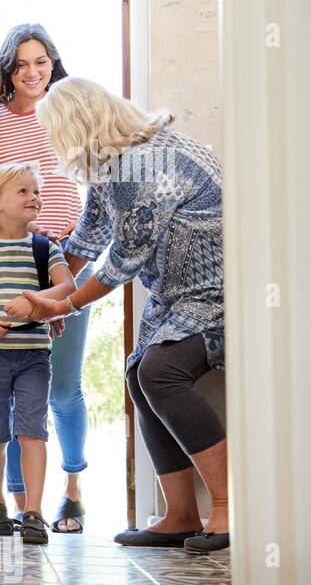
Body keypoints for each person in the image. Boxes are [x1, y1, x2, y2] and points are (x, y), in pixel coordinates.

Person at [17, 77, 229, 552]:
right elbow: (86, 242)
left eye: (56, 133)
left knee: (159, 372)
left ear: (78, 128)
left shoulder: (144, 163)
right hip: (179, 297)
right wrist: (40, 293)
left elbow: (120, 261)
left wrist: (62, 305)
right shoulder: (112, 164)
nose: (56, 145)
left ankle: (228, 503)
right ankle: (179, 514)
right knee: (141, 374)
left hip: (218, 296)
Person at [0, 24, 91, 533]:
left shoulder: (69, 119)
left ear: (53, 64)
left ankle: (73, 488)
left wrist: (63, 287)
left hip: (70, 264)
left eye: (40, 61)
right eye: (21, 63)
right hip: (12, 271)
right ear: (8, 69)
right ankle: (26, 506)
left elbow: (91, 196)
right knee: (15, 395)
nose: (31, 71)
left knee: (63, 388)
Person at [0, 163, 75, 543]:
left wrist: (34, 300)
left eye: (35, 192)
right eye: (23, 191)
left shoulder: (45, 248)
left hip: (34, 356)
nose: (34, 198)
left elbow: (67, 286)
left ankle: (33, 511)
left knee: (32, 432)